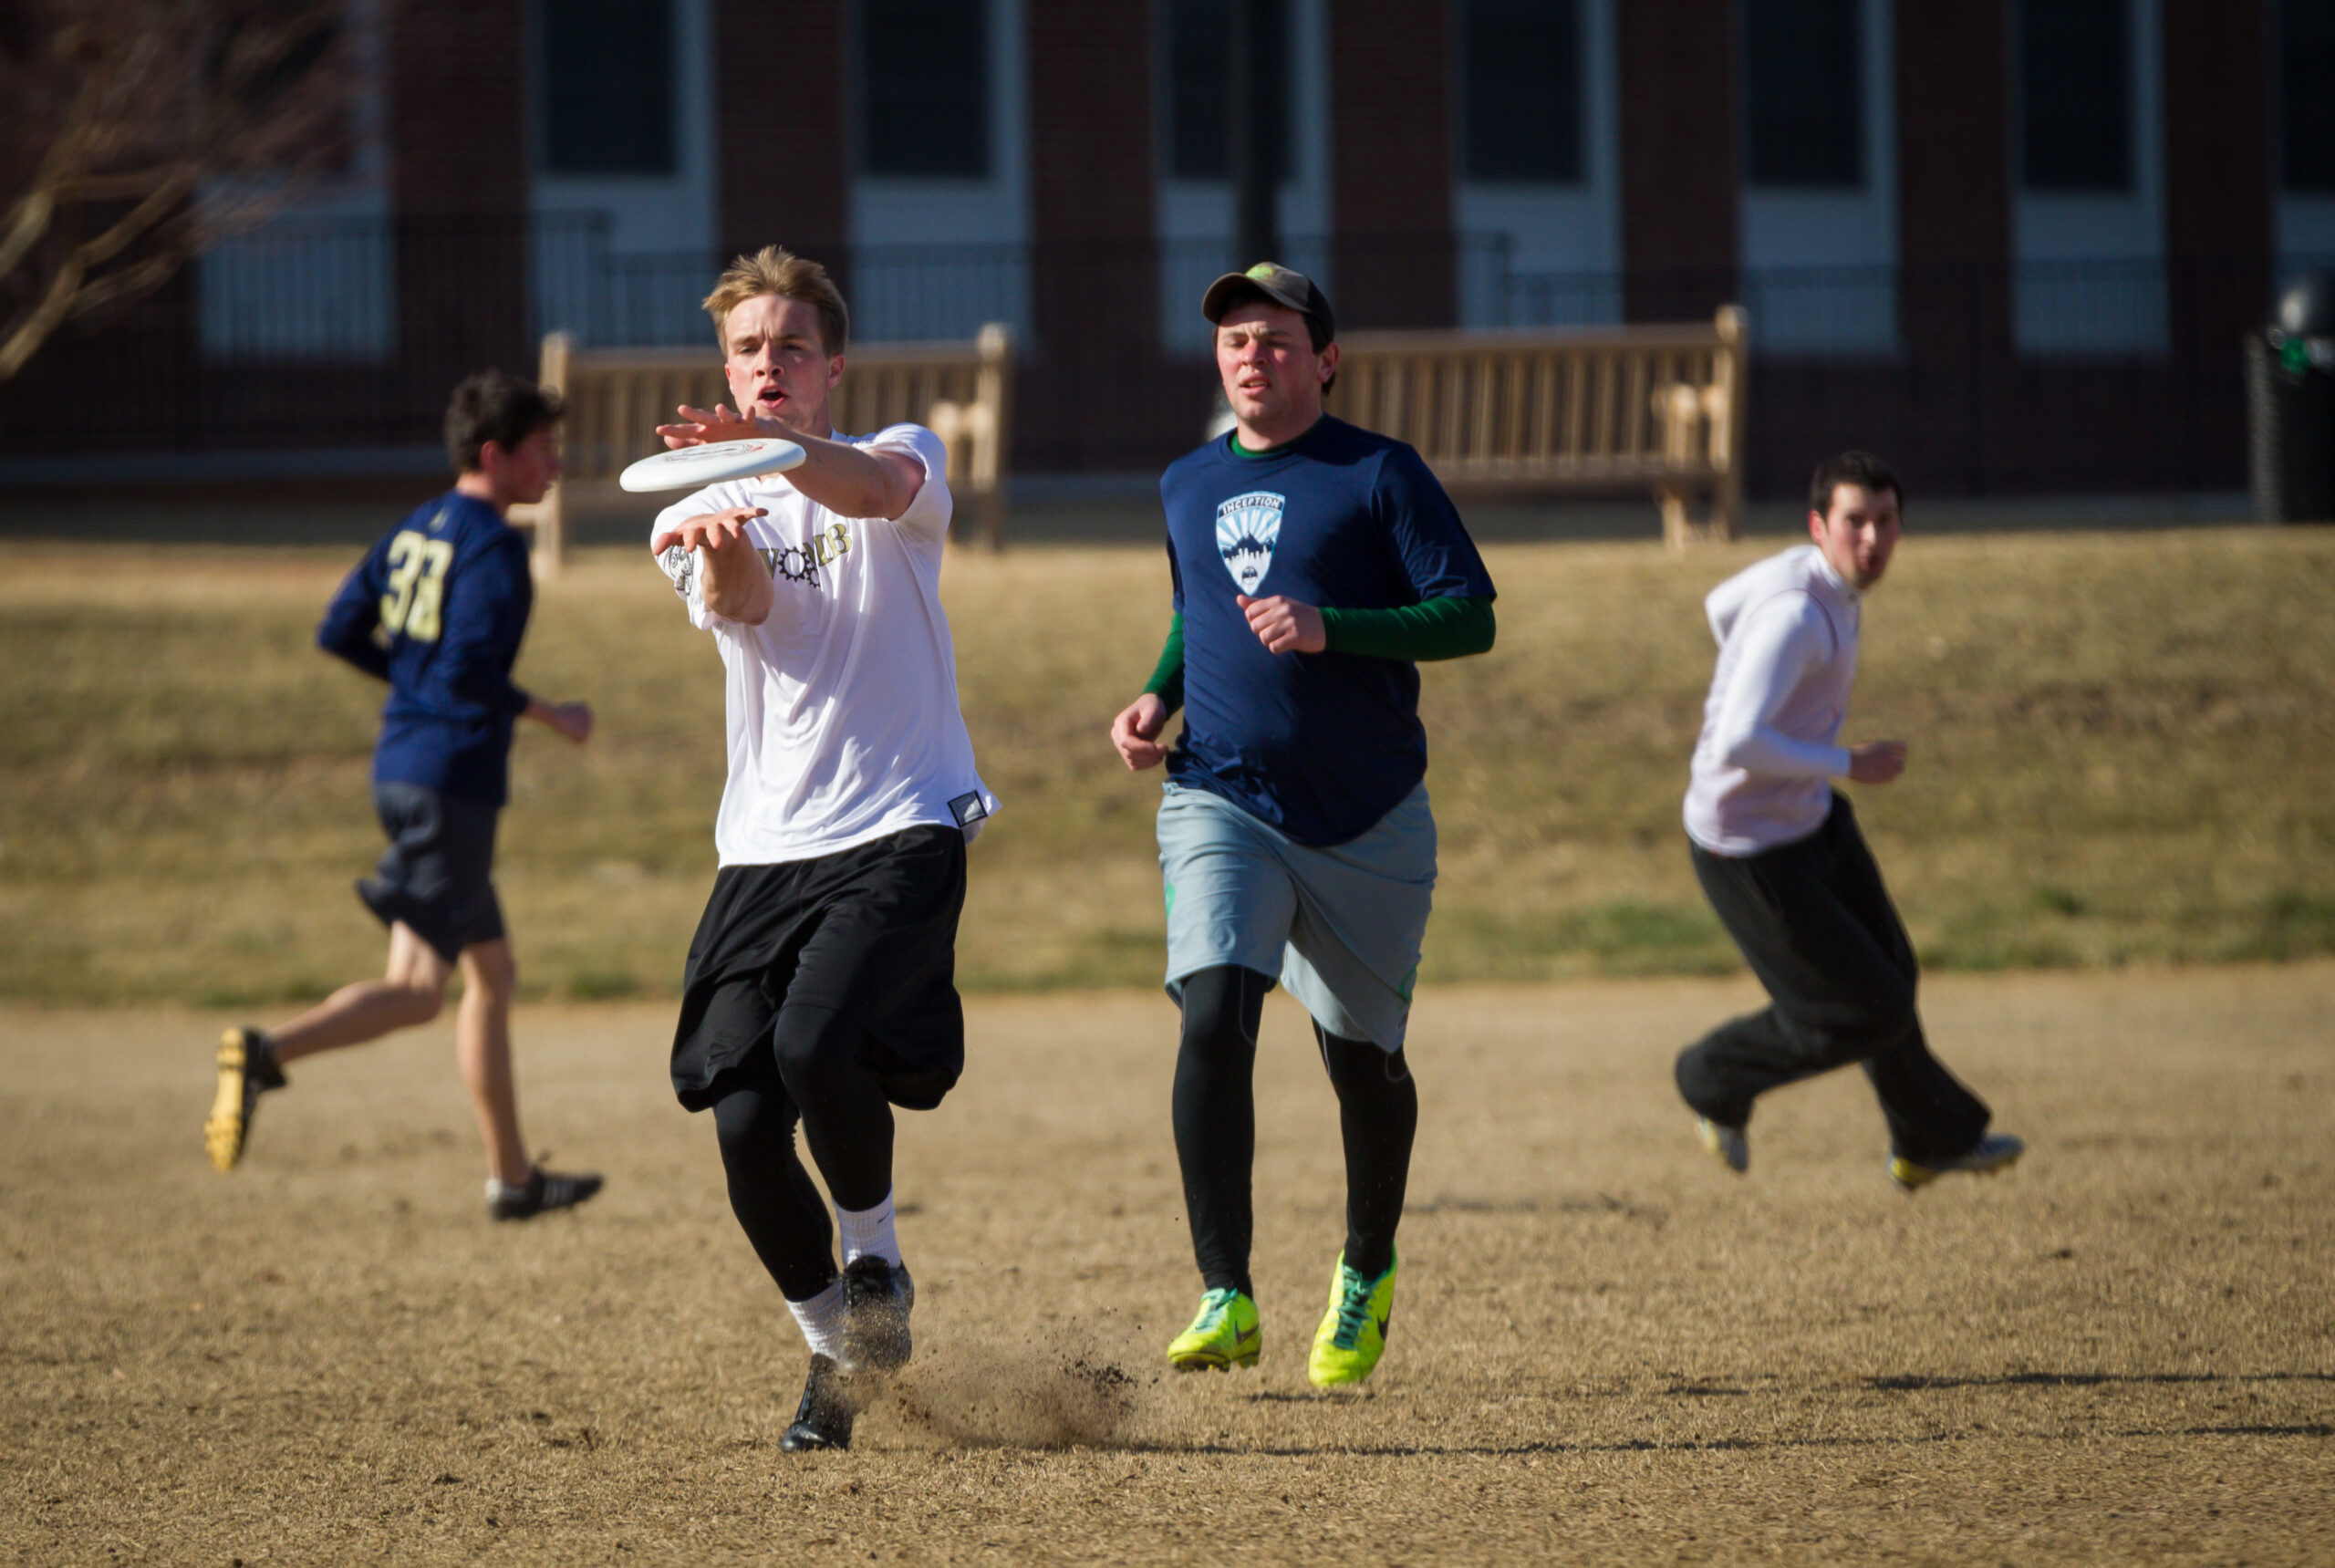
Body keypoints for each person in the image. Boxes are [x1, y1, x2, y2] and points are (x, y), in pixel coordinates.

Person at [1110, 263, 1496, 1389]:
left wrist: (1336, 630)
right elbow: (1196, 610)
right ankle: (1223, 1293)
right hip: (1221, 796)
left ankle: (1365, 1270)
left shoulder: (1380, 472)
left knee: (1362, 1063)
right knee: (1214, 1010)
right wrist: (1156, 697)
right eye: (1234, 338)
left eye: (1275, 338)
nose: (1250, 354)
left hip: (1367, 819)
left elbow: (1467, 617)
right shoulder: (1184, 481)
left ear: (1323, 359)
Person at [647, 246, 995, 1453]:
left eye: (791, 347)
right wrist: (731, 521)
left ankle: (877, 1258)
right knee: (740, 1121)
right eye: (749, 350)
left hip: (901, 818)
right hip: (761, 848)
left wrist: (784, 456)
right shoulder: (688, 503)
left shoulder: (897, 450)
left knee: (812, 1041)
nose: (769, 366)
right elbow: (744, 602)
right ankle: (832, 1350)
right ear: (725, 366)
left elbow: (875, 489)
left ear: (831, 364)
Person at [204, 369, 602, 1223]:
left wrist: (412, 682)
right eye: (543, 450)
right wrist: (554, 714)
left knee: (492, 971)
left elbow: (339, 627)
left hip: (404, 766)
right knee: (421, 990)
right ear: (496, 455)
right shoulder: (495, 548)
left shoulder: (414, 527)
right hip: (450, 778)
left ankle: (514, 1177)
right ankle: (264, 1050)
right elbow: (465, 668)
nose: (556, 467)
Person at [1674, 450, 2023, 1189]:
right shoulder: (1799, 614)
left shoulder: (1807, 581)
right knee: (1861, 1009)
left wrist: (1775, 705)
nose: (1871, 539)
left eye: (1885, 521)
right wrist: (1846, 762)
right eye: (1854, 522)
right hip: (1748, 848)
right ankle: (1709, 1078)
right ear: (1820, 527)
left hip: (1806, 816)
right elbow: (1737, 740)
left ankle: (1928, 1138)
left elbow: (1717, 607)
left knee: (1893, 976)